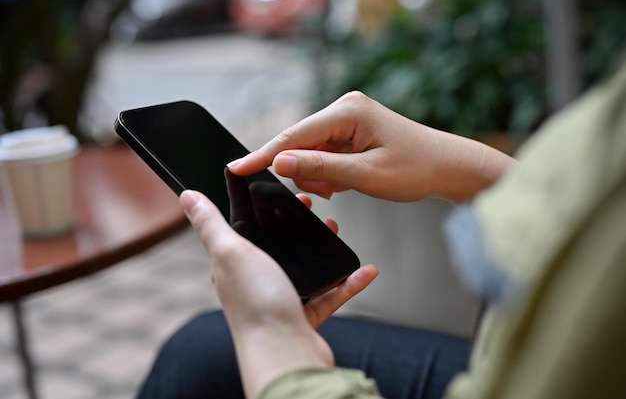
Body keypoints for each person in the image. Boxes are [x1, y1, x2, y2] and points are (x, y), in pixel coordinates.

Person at [137, 59, 626, 399]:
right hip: (509, 359)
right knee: (201, 349)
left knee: (201, 354)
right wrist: (462, 166)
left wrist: (274, 343)